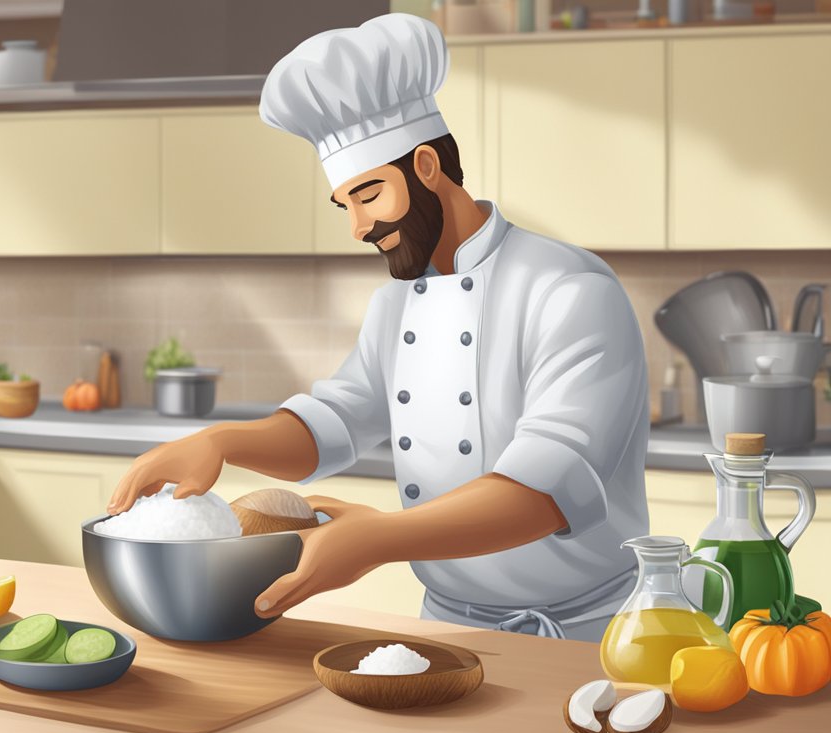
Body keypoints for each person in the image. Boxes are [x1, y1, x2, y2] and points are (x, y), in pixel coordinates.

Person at [106, 14, 649, 642]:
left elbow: (545, 492)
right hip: (447, 626)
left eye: (368, 196)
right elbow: (336, 420)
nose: (358, 227)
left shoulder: (567, 290)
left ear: (424, 167)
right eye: (346, 205)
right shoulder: (397, 305)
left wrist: (380, 538)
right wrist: (224, 442)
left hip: (592, 635)